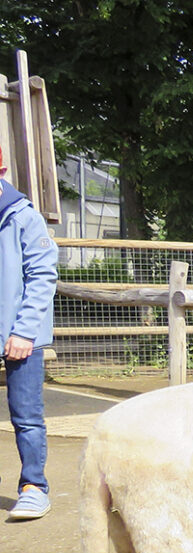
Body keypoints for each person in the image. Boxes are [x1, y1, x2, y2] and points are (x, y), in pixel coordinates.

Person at [0, 145, 59, 520]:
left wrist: (23, 332)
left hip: (20, 333)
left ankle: (34, 487)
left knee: (26, 416)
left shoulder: (23, 217)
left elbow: (42, 275)